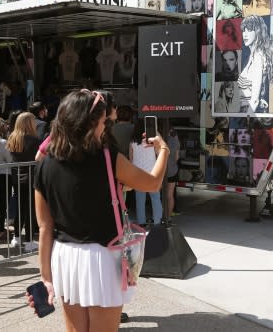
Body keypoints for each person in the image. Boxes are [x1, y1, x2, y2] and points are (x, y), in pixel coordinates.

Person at [30, 90, 169, 330]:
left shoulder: (45, 165)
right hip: (101, 257)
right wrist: (164, 150)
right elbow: (153, 183)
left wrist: (46, 279)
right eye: (103, 122)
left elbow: (45, 228)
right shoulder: (107, 157)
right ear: (89, 123)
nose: (105, 127)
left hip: (64, 258)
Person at [7, 112, 41, 251]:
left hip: (17, 177)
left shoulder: (13, 139)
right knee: (30, 209)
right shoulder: (34, 140)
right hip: (31, 177)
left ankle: (16, 237)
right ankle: (28, 241)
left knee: (20, 208)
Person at [237, 16, 273, 114]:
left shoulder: (258, 57)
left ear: (258, 32)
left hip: (249, 113)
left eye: (249, 30)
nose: (245, 35)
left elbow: (254, 100)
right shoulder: (252, 56)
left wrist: (246, 120)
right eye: (243, 30)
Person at [129, 118, 160, 226]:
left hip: (138, 174)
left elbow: (131, 160)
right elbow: (158, 155)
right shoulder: (152, 141)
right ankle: (157, 222)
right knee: (156, 199)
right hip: (152, 173)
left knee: (140, 201)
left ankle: (141, 223)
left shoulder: (132, 142)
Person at [164, 128, 180, 217]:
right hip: (172, 170)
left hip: (162, 171)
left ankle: (162, 215)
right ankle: (168, 216)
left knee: (160, 195)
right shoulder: (176, 142)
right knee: (170, 195)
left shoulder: (161, 140)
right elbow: (177, 158)